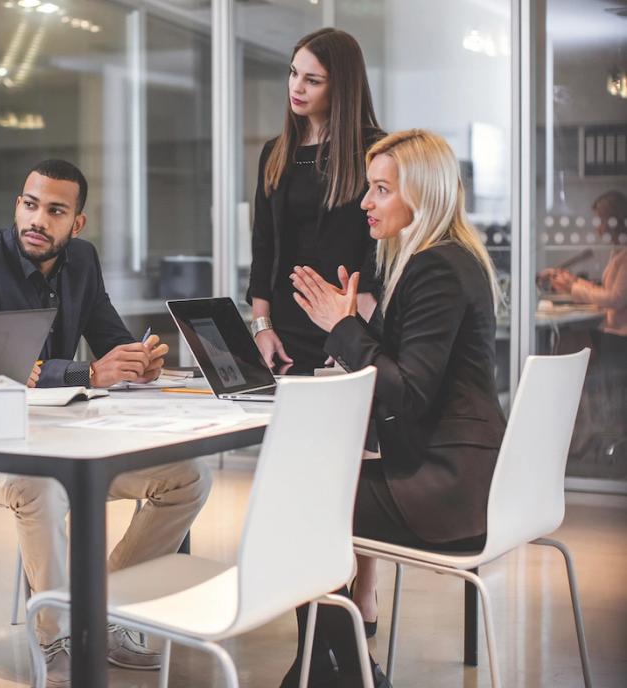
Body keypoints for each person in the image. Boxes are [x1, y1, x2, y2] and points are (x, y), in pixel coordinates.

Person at [0, 159, 212, 687]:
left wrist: (137, 358)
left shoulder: (81, 261)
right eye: (29, 204)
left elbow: (109, 337)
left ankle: (104, 611)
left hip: (65, 441)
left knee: (190, 475)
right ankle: (57, 635)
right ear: (18, 204)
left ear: (76, 223)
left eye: (55, 210)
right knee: (39, 485)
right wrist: (89, 371)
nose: (37, 219)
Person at [288, 129, 507, 687]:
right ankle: (323, 671)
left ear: (423, 196)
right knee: (312, 494)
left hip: (448, 488)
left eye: (381, 190)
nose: (365, 202)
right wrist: (352, 328)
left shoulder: (435, 267)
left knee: (301, 507)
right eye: (369, 188)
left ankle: (345, 674)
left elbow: (407, 389)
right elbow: (399, 370)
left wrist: (342, 327)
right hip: (466, 475)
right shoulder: (445, 260)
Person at [246, 27, 385, 637]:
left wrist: (354, 327)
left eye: (313, 78)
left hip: (348, 326)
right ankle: (319, 592)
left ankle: (365, 584)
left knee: (352, 465)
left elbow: (383, 247)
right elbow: (263, 249)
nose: (296, 87)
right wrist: (262, 323)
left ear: (342, 85)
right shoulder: (276, 152)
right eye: (293, 73)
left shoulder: (376, 152)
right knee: (304, 472)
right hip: (289, 333)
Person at [543, 190, 627, 461]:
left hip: (619, 337)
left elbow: (615, 298)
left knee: (574, 349)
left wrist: (575, 286)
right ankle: (584, 433)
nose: (598, 227)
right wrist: (572, 285)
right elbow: (608, 292)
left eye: (601, 220)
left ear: (616, 219)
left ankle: (586, 435)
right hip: (613, 333)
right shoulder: (618, 252)